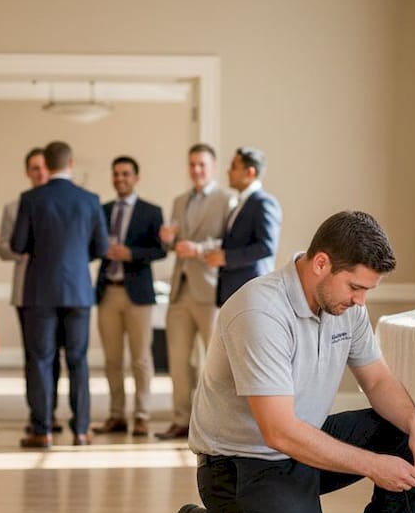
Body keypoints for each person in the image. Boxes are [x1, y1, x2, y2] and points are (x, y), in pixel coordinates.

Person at [163, 210, 415, 513]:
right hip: (243, 468)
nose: (360, 301)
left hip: (301, 443)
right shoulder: (259, 312)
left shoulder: (345, 306)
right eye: (355, 287)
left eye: (367, 290)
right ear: (321, 264)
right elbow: (278, 431)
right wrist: (372, 466)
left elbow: (379, 381)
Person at [11, 141, 108, 448]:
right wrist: (78, 258)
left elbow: (17, 244)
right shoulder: (90, 199)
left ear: (47, 164)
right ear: (71, 163)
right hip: (78, 289)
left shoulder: (31, 198)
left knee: (41, 359)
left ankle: (43, 430)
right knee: (78, 359)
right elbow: (102, 248)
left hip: (40, 289)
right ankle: (81, 429)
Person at [155, 144, 235, 441]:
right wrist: (166, 240)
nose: (196, 170)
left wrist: (199, 249)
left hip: (210, 289)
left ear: (213, 167)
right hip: (180, 290)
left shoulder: (228, 200)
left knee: (213, 364)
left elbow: (231, 243)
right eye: (192, 164)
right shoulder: (179, 201)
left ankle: (212, 424)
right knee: (177, 361)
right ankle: (180, 420)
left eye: (202, 164)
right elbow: (172, 245)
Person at [93, 156, 166, 438]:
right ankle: (116, 415)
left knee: (141, 359)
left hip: (138, 294)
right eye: (116, 174)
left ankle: (142, 415)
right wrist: (103, 250)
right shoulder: (102, 209)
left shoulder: (151, 211)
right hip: (107, 291)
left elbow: (160, 250)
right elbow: (92, 245)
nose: (120, 178)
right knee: (112, 359)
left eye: (125, 174)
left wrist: (131, 253)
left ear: (136, 177)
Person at [0, 147, 65, 434]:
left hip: (59, 291)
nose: (40, 173)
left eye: (43, 168)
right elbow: (3, 248)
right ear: (28, 172)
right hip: (27, 290)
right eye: (34, 169)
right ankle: (37, 412)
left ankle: (51, 411)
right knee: (34, 355)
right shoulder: (15, 207)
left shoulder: (61, 203)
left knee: (56, 355)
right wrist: (25, 253)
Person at [206, 146, 281, 307]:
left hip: (251, 293)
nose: (228, 171)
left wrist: (226, 257)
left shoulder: (264, 203)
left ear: (250, 173)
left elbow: (266, 247)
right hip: (233, 293)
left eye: (234, 166)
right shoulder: (239, 203)